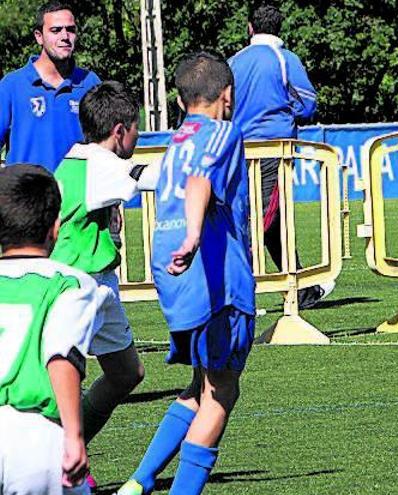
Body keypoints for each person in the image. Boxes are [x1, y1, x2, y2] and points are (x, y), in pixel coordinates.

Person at [114, 52, 255, 495]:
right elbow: (200, 181)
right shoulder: (221, 133)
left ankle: (139, 481)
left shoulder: (178, 139)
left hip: (177, 282)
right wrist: (194, 235)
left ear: (178, 99)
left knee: (199, 386)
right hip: (216, 282)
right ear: (227, 96)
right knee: (221, 393)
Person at [51, 82, 159, 460]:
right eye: (136, 128)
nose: (138, 135)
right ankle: (56, 462)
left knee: (126, 373)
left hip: (98, 282)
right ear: (119, 131)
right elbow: (148, 177)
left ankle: (66, 453)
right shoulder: (101, 165)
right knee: (59, 384)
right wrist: (199, 161)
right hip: (76, 284)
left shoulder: (81, 159)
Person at [0, 164, 108, 495]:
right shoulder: (71, 283)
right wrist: (74, 434)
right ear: (55, 229)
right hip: (33, 439)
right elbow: (62, 351)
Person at [228, 4, 332, 309]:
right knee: (266, 218)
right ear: (279, 28)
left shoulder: (234, 61)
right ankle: (237, 291)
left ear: (249, 28)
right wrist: (286, 113)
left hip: (238, 150)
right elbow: (308, 104)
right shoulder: (284, 59)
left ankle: (299, 288)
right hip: (274, 150)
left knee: (260, 219)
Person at [0, 1, 100, 171]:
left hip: (76, 195)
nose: (65, 36)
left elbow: (106, 147)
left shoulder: (90, 83)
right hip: (27, 195)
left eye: (70, 30)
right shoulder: (11, 86)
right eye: (56, 30)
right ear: (39, 36)